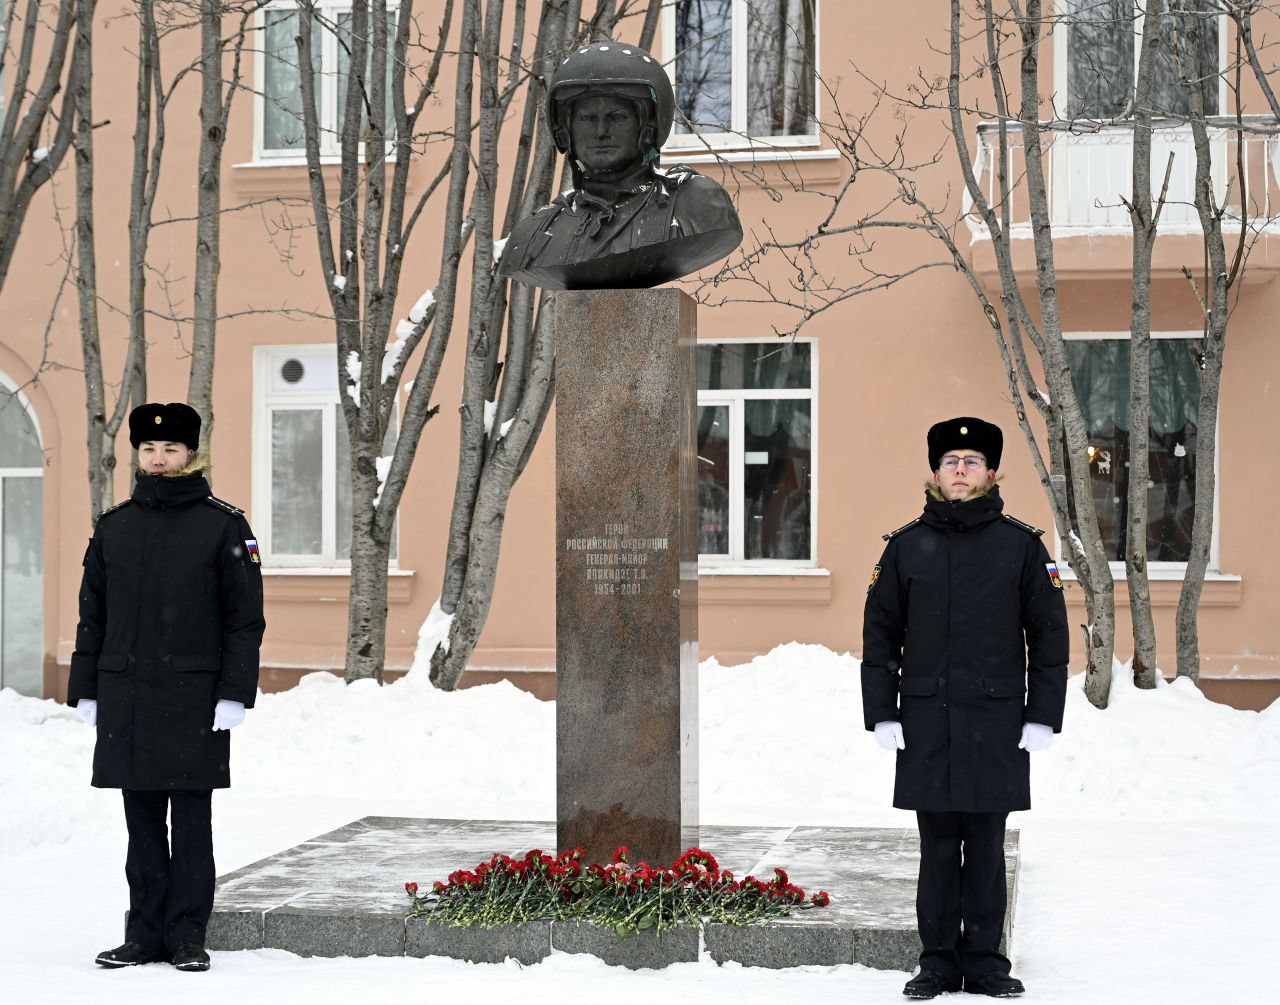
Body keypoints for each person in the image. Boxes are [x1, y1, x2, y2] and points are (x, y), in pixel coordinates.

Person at [861, 417, 1069, 1000]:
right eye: (951, 460)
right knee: (936, 847)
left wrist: (1041, 714)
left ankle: (984, 963)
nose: (960, 469)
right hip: (927, 721)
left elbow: (1049, 635)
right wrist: (883, 711)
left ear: (992, 472)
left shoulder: (1023, 547)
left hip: (996, 722)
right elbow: (880, 635)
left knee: (984, 845)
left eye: (972, 461)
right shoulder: (904, 549)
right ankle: (936, 962)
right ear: (935, 472)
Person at [67, 402, 265, 972]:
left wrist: (234, 691)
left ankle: (186, 935)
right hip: (128, 692)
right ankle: (144, 933)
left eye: (170, 449)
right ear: (138, 454)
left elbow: (244, 618)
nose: (158, 458)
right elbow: (93, 613)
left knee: (191, 819)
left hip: (193, 697)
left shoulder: (225, 526)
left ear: (191, 454)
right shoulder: (115, 525)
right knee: (141, 819)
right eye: (149, 450)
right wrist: (88, 687)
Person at [499, 40, 743, 290]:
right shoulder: (532, 233)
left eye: (617, 117)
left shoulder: (695, 203)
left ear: (647, 128)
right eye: (587, 118)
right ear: (565, 132)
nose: (601, 131)